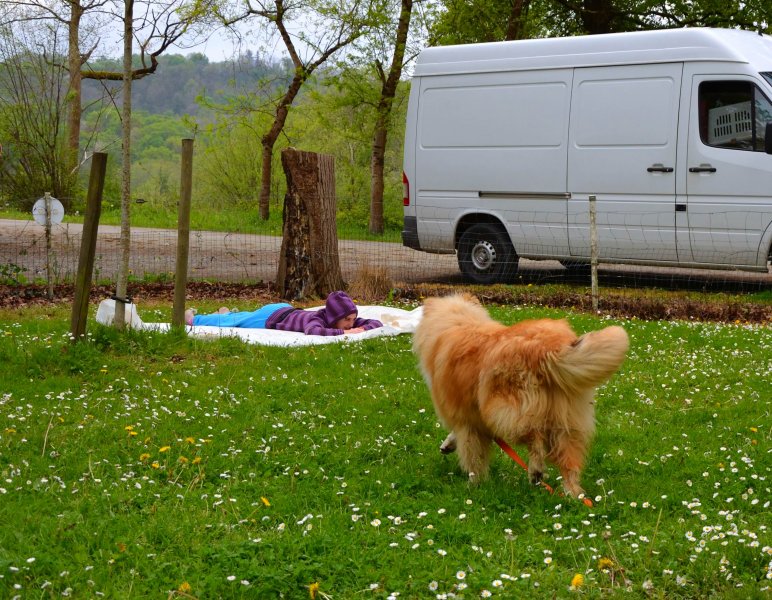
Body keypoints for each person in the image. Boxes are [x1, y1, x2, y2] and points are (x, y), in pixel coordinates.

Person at [185, 291, 383, 336]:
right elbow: (313, 331)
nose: (351, 323)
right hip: (271, 317)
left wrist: (362, 327)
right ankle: (193, 317)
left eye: (352, 319)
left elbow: (376, 323)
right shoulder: (317, 319)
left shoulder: (343, 320)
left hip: (285, 308)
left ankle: (225, 312)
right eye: (347, 320)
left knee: (243, 317)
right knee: (237, 323)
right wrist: (345, 332)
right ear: (334, 317)